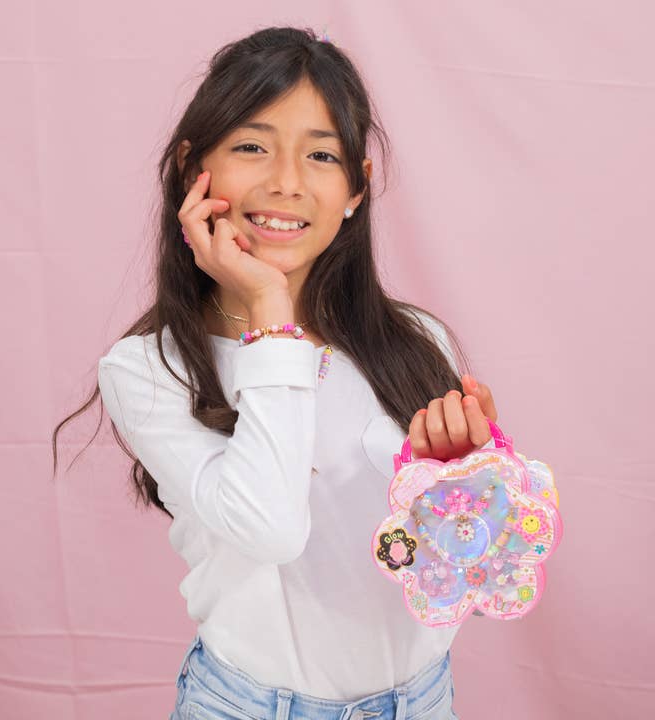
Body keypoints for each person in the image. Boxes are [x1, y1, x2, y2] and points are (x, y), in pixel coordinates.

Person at [61, 25, 499, 720]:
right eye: (251, 147)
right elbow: (270, 531)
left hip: (424, 700)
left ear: (357, 187)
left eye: (321, 155)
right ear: (191, 167)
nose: (287, 182)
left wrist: (462, 476)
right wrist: (268, 307)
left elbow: (460, 566)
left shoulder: (415, 340)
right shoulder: (148, 370)